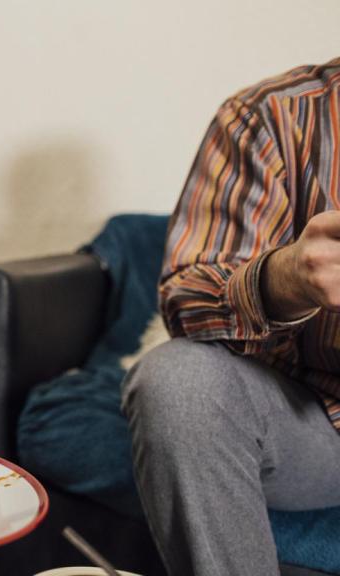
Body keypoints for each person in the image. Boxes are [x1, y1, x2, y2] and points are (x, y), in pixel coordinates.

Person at [123, 58, 340, 575]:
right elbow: (184, 298)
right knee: (177, 382)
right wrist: (288, 277)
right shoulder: (268, 116)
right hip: (317, 422)